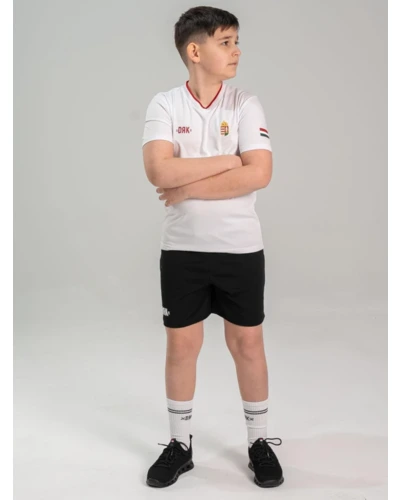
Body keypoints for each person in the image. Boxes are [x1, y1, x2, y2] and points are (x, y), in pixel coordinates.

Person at [142, 5, 284, 489]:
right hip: (182, 251)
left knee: (248, 344)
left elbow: (259, 173)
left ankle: (259, 442)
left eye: (237, 41)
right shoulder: (165, 105)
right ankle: (180, 445)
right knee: (182, 346)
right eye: (226, 42)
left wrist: (186, 185)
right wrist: (229, 161)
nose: (237, 50)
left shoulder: (245, 104)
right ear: (195, 51)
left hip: (240, 249)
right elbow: (159, 171)